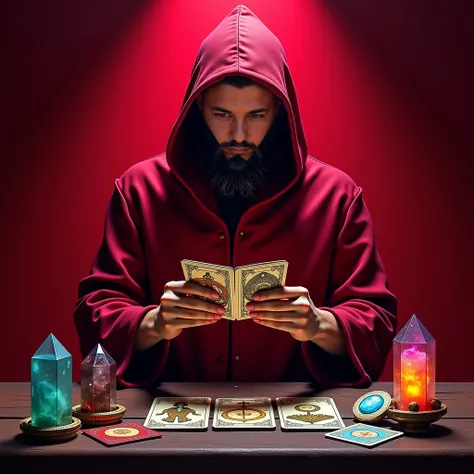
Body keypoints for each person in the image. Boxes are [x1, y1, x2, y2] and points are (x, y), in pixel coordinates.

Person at [74, 5, 397, 388]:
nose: (239, 135)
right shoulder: (137, 191)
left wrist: (320, 323)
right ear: (197, 106)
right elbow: (96, 312)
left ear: (281, 109)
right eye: (222, 114)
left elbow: (377, 320)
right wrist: (153, 322)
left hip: (300, 429)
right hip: (167, 428)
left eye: (257, 115)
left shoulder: (338, 197)